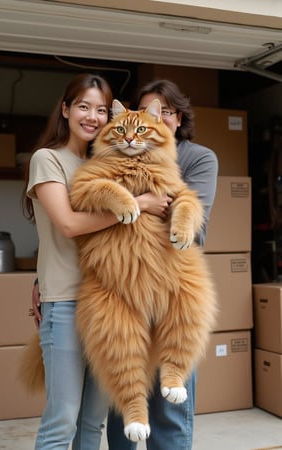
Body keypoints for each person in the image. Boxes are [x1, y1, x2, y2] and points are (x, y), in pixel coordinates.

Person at [24, 73, 171, 450]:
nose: (92, 116)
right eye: (83, 106)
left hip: (112, 304)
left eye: (101, 109)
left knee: (92, 424)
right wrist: (138, 204)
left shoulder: (104, 158)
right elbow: (69, 226)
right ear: (66, 109)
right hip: (67, 302)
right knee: (62, 421)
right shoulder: (48, 159)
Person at [106, 79, 218, 450]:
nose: (155, 117)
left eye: (164, 111)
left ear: (176, 116)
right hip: (123, 286)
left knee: (170, 406)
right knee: (125, 393)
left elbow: (191, 221)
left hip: (171, 285)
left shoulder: (198, 157)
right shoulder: (119, 151)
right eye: (148, 110)